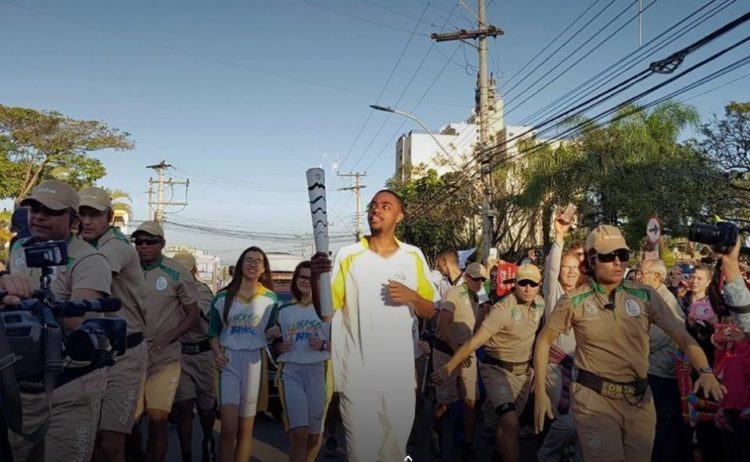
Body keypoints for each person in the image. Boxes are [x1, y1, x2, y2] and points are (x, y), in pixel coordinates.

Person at [534, 224, 725, 462]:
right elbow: (544, 340)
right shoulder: (574, 300)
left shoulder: (645, 295)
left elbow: (682, 335)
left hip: (639, 401)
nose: (617, 262)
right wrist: (540, 391)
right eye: (608, 256)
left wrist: (705, 370)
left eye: (622, 255)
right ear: (591, 261)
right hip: (594, 401)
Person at [312, 189, 437, 462]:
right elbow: (326, 312)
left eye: (385, 206)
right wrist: (315, 278)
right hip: (358, 377)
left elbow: (430, 308)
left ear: (399, 216)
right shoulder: (349, 255)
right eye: (373, 205)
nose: (376, 210)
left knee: (393, 455)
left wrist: (413, 296)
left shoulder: (413, 256)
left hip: (400, 378)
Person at [1, 180, 113, 461]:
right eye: (34, 208)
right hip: (22, 385)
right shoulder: (19, 250)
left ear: (73, 221)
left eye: (50, 211)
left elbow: (79, 323)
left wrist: (41, 303)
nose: (38, 216)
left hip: (70, 386)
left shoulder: (90, 260)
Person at [433, 264, 546, 462]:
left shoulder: (540, 304)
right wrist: (448, 366)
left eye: (533, 283)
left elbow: (540, 338)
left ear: (539, 285)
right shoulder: (497, 308)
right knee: (507, 420)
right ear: (515, 284)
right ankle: (440, 432)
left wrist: (536, 370)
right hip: (490, 368)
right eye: (523, 283)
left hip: (521, 373)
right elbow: (472, 339)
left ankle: (486, 445)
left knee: (492, 416)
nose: (528, 288)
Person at [77, 187, 149, 462]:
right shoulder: (84, 245)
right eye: (81, 214)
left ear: (108, 216)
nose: (86, 220)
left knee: (110, 443)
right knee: (87, 437)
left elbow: (96, 272)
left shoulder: (115, 246)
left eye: (93, 214)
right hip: (93, 353)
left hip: (124, 355)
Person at [132, 221, 200, 462]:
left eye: (150, 241)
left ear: (162, 244)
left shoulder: (176, 272)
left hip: (165, 357)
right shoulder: (125, 268)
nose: (143, 246)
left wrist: (166, 339)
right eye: (138, 242)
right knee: (131, 422)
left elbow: (192, 316)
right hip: (131, 355)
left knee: (158, 419)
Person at [208, 246, 277, 462]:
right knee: (228, 430)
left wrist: (273, 333)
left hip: (254, 362)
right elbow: (213, 332)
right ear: (241, 265)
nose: (253, 264)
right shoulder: (222, 297)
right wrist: (217, 352)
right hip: (229, 362)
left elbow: (272, 333)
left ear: (264, 268)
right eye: (248, 260)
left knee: (246, 432)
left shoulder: (271, 299)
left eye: (258, 261)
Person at [266, 261, 330, 462]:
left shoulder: (328, 311)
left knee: (313, 436)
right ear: (296, 280)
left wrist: (322, 345)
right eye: (302, 277)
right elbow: (272, 342)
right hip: (291, 372)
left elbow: (342, 345)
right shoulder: (283, 309)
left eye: (312, 278)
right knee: (299, 433)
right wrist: (276, 344)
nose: (307, 282)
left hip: (319, 372)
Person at [430, 262, 487, 458]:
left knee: (471, 401)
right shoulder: (454, 293)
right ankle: (435, 429)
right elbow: (443, 323)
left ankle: (467, 443)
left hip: (466, 352)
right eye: (475, 278)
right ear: (467, 277)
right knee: (446, 402)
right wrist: (456, 352)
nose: (479, 282)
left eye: (482, 279)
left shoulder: (480, 298)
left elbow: (480, 325)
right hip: (446, 351)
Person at [636, 258, 691, 462]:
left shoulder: (666, 301)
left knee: (661, 431)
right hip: (650, 370)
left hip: (660, 375)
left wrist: (627, 348)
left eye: (642, 272)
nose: (638, 276)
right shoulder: (649, 296)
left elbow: (655, 337)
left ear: (657, 277)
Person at [538, 214, 581, 462]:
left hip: (581, 369)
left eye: (575, 268)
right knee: (566, 423)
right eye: (567, 268)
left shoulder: (584, 296)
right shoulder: (554, 293)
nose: (570, 272)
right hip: (555, 366)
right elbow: (552, 267)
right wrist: (560, 237)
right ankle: (546, 456)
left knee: (581, 422)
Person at [172, 251, 217, 462]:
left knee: (206, 410)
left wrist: (188, 301)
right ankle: (186, 455)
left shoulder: (202, 290)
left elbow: (200, 318)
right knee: (184, 408)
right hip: (181, 354)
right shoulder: (170, 289)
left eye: (185, 271)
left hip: (203, 355)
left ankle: (208, 438)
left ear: (194, 271)